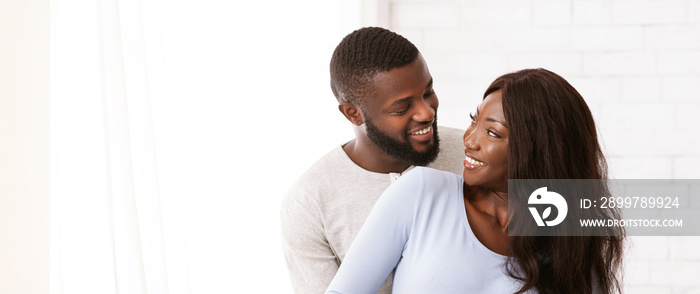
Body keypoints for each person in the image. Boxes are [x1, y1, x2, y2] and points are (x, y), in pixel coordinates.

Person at [326, 68, 625, 294]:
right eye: (474, 120)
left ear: (541, 151)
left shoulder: (571, 244)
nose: (469, 140)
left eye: (492, 132)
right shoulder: (421, 193)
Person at [281, 27, 465, 293]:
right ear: (353, 113)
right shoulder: (308, 204)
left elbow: (547, 237)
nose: (426, 113)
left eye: (428, 92)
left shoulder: (479, 150)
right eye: (402, 108)